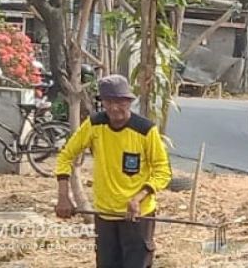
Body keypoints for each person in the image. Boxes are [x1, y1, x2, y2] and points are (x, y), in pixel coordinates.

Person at [55, 74, 172, 268]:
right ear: (103, 102)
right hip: (105, 214)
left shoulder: (145, 130)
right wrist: (63, 196)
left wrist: (138, 197)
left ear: (129, 101)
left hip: (137, 216)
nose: (115, 108)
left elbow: (163, 171)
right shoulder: (94, 125)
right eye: (109, 102)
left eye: (120, 102)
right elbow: (66, 156)